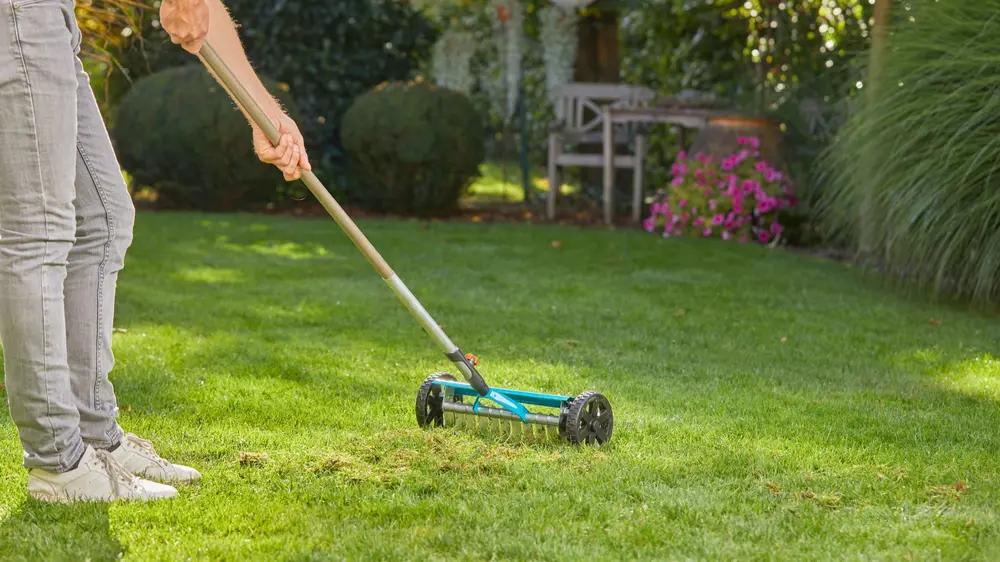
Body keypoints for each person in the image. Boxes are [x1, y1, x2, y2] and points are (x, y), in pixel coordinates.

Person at [0, 0, 310, 502]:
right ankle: (58, 462)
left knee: (101, 218)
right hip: (19, 15)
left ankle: (94, 437)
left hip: (47, 21)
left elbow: (199, 14)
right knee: (39, 233)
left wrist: (268, 117)